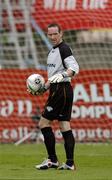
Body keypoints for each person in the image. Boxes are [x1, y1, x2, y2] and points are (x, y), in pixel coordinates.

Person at [28, 23, 79, 170]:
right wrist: (44, 88)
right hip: (60, 89)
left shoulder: (64, 49)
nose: (52, 37)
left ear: (61, 33)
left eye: (55, 34)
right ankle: (69, 163)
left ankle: (52, 160)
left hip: (61, 90)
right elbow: (53, 77)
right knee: (64, 125)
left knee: (43, 123)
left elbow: (74, 68)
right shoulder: (52, 51)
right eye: (49, 34)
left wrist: (63, 75)